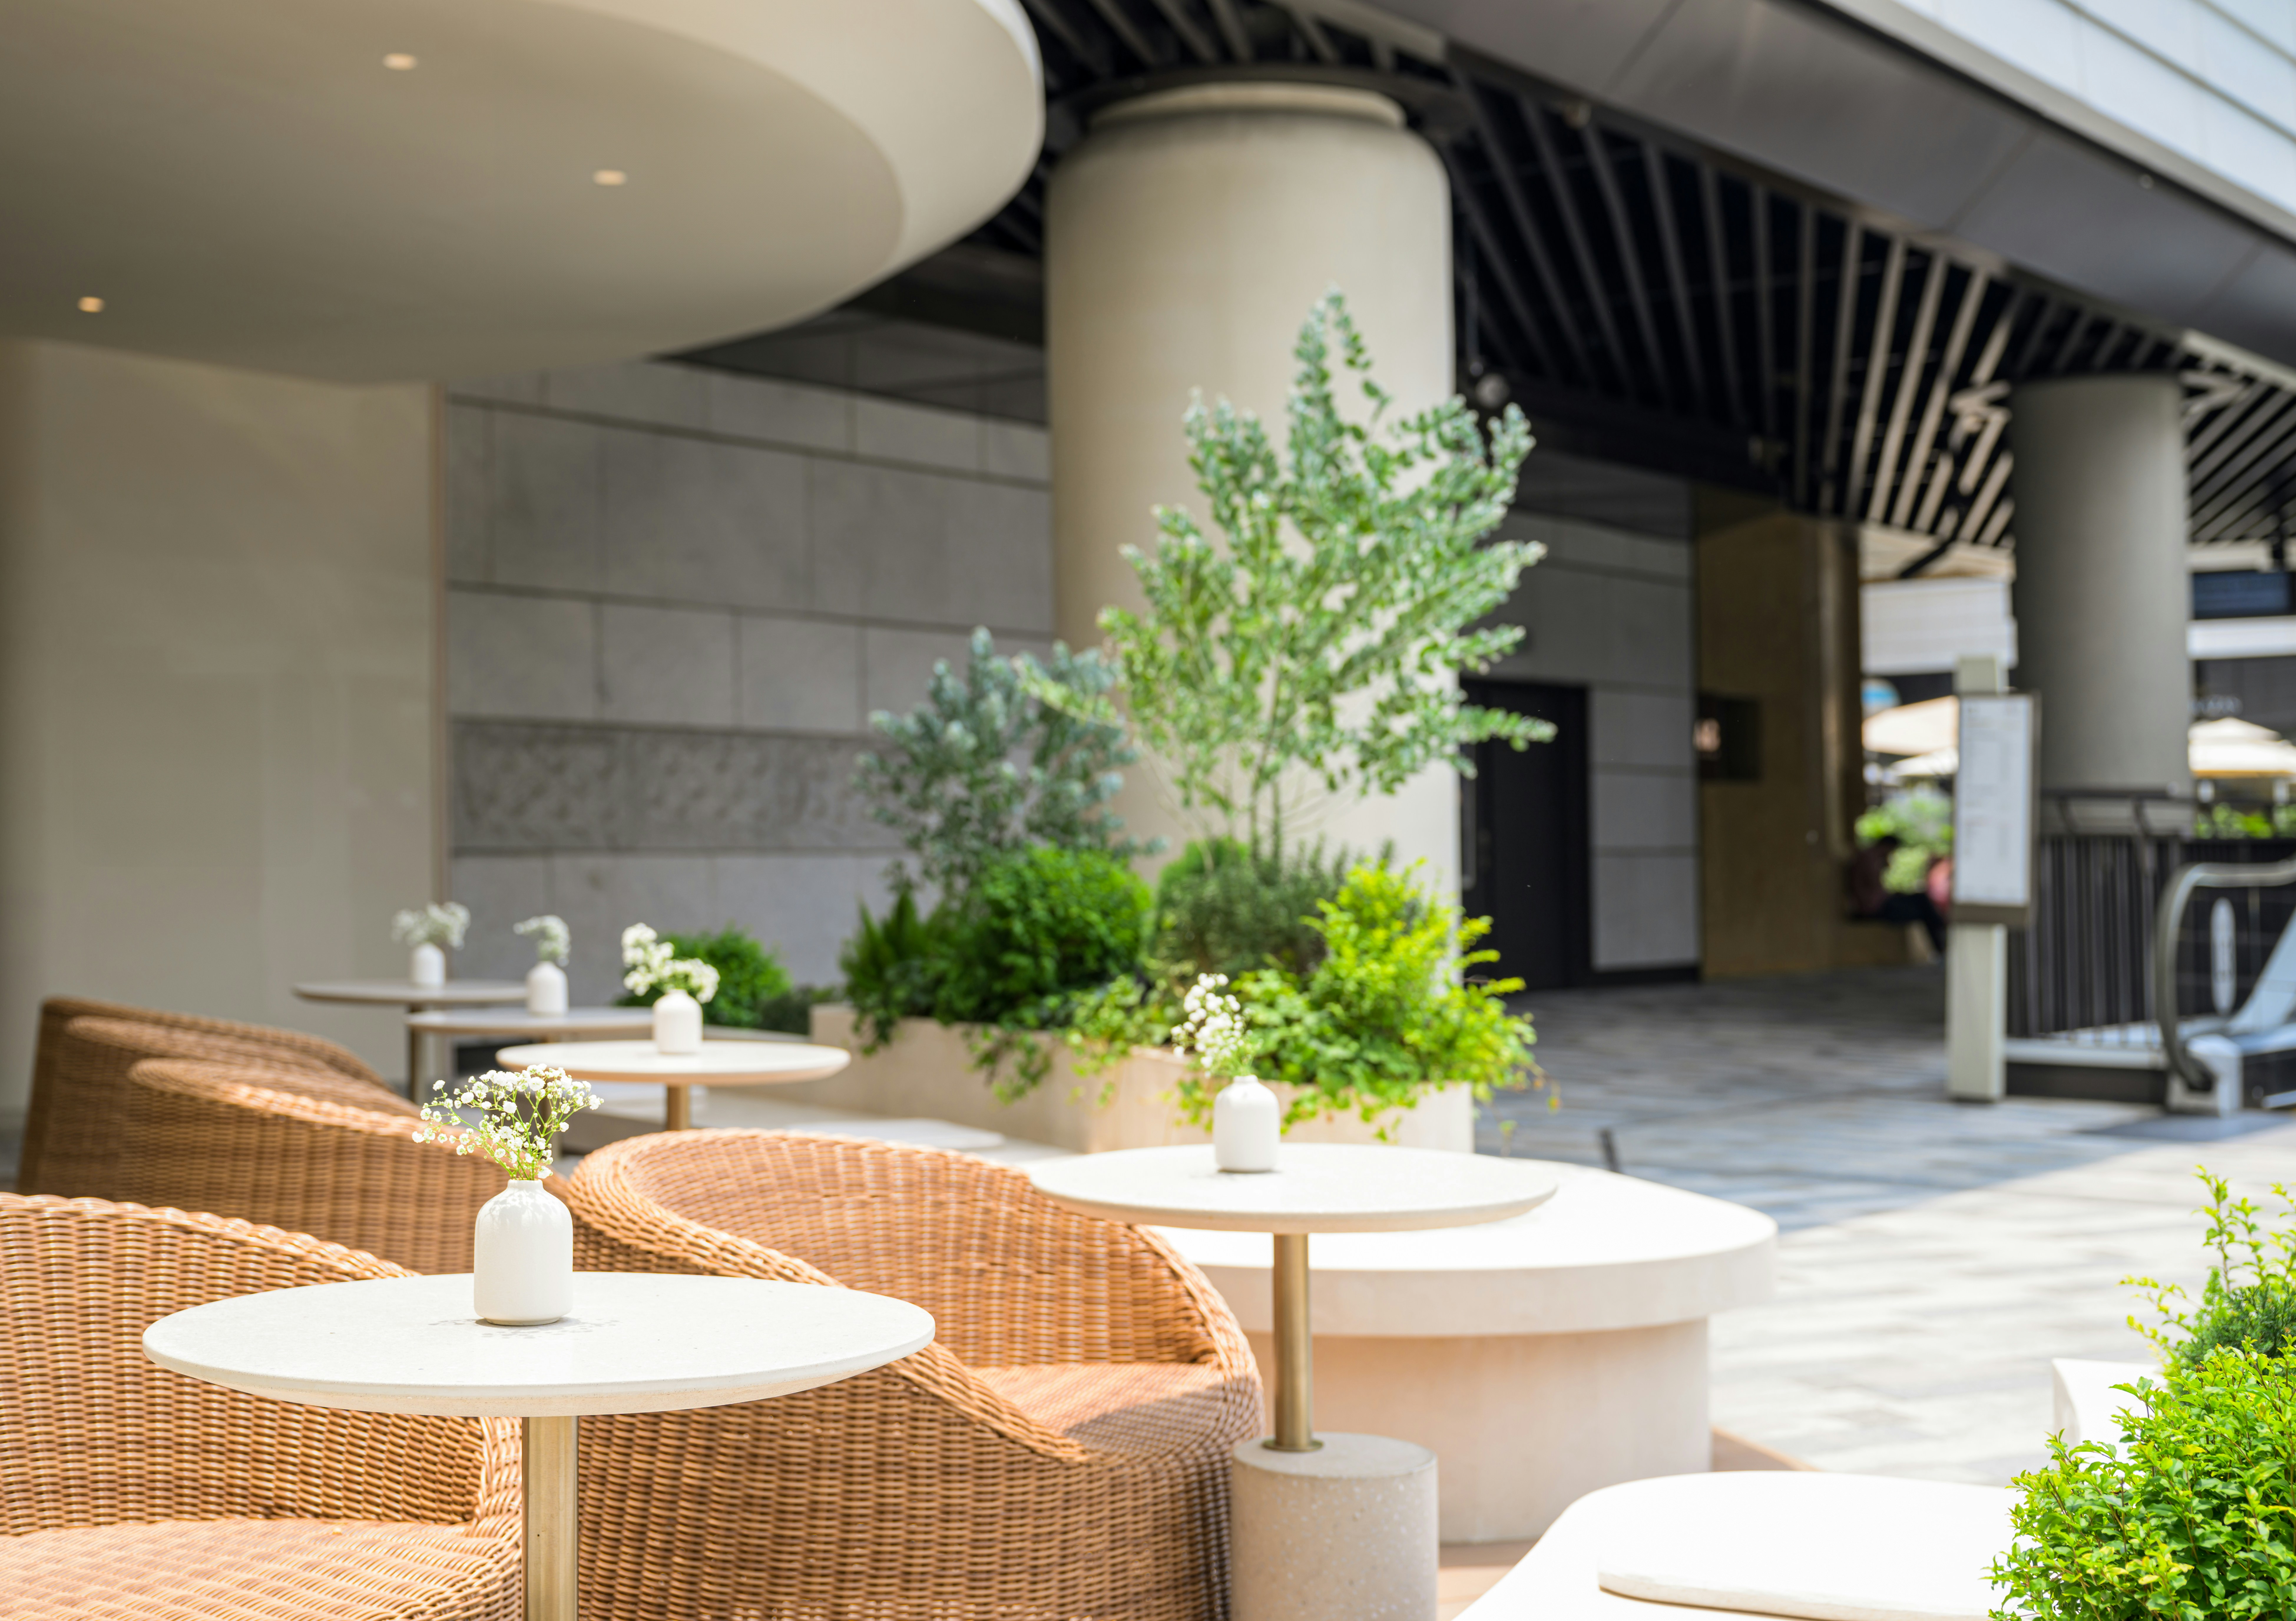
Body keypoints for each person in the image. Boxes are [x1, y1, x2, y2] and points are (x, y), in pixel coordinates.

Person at [1848, 835, 1946, 954]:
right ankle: (1941, 944)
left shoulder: (1871, 857)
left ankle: (1941, 942)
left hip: (1879, 904)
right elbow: (1873, 885)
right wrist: (1882, 864)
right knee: (1923, 906)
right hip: (1874, 907)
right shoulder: (1870, 858)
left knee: (1922, 903)